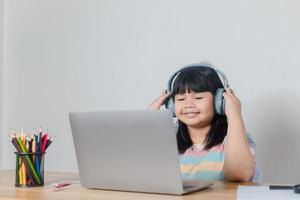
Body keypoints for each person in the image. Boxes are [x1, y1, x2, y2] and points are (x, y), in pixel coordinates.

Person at [147, 63, 261, 182]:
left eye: (198, 98)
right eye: (181, 99)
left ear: (219, 101)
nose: (188, 105)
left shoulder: (237, 138)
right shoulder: (169, 138)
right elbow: (139, 158)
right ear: (171, 104)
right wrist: (151, 116)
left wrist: (234, 114)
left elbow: (239, 175)